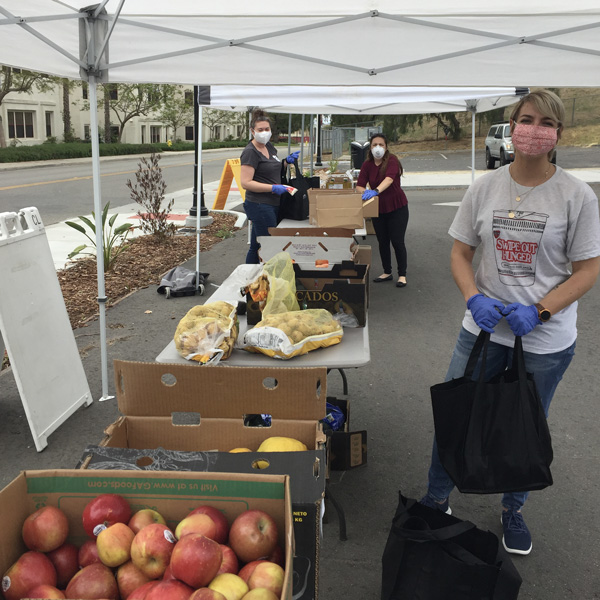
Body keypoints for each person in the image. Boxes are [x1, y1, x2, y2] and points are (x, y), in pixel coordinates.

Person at [420, 90, 600, 555]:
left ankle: (512, 509)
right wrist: (473, 296)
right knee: (456, 417)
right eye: (525, 119)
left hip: (544, 341)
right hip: (483, 328)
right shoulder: (485, 187)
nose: (533, 129)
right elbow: (461, 252)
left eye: (545, 122)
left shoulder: (576, 195)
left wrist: (540, 310)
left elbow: (588, 270)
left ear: (557, 133)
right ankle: (435, 499)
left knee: (522, 426)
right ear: (512, 125)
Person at [240, 108, 299, 264]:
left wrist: (286, 162)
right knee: (270, 245)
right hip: (259, 204)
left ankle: (249, 277)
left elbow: (272, 168)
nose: (264, 132)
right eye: (260, 130)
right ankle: (268, 280)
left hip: (272, 203)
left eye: (267, 129)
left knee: (256, 245)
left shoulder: (269, 147)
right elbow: (246, 182)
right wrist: (272, 188)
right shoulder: (250, 152)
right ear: (252, 131)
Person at [356, 133, 409, 287]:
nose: (377, 148)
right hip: (378, 209)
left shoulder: (392, 160)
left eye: (381, 145)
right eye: (374, 145)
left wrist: (376, 191)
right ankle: (387, 271)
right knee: (382, 241)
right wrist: (364, 192)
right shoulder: (367, 165)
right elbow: (360, 184)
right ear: (370, 147)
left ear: (386, 148)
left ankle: (402, 274)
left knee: (397, 241)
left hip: (397, 207)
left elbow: (390, 179)